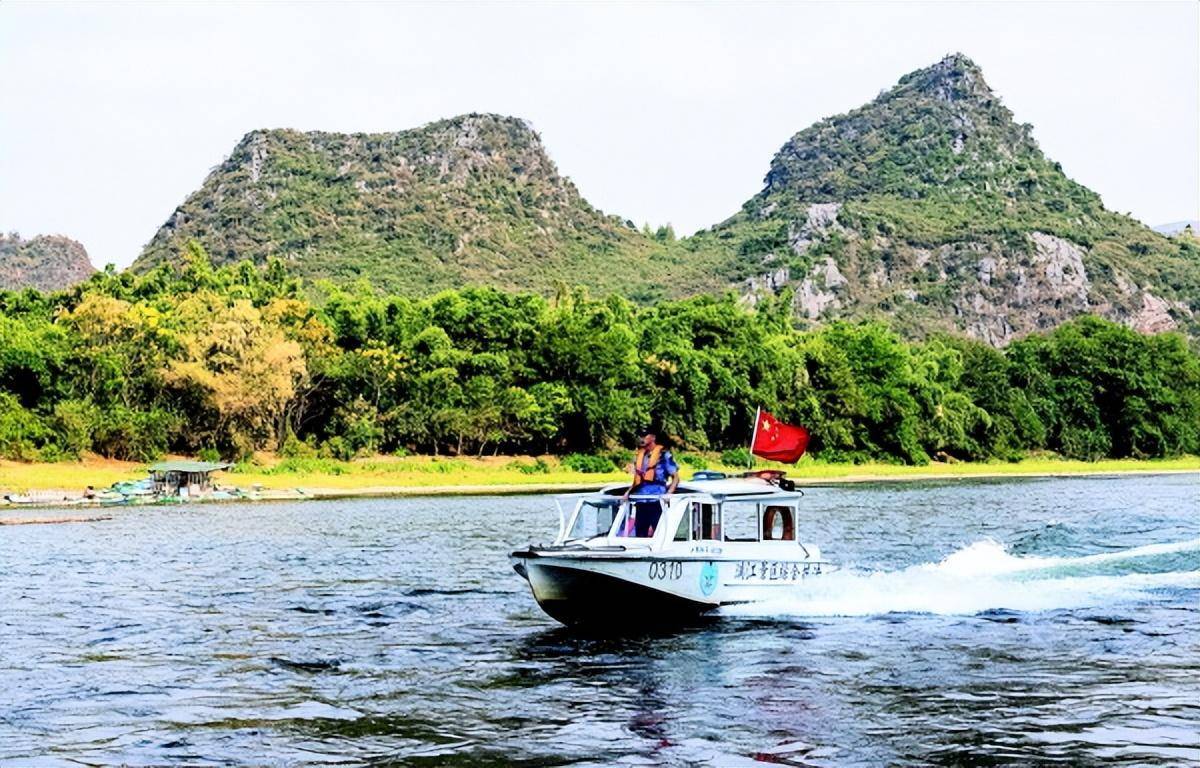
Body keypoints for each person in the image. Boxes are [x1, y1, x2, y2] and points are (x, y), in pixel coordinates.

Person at [620, 425, 680, 537]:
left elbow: (676, 478)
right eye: (640, 436)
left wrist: (668, 495)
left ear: (652, 437)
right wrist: (628, 492)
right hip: (641, 501)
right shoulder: (640, 456)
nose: (641, 438)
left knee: (659, 532)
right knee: (640, 534)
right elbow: (637, 480)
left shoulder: (664, 455)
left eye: (644, 435)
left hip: (657, 501)